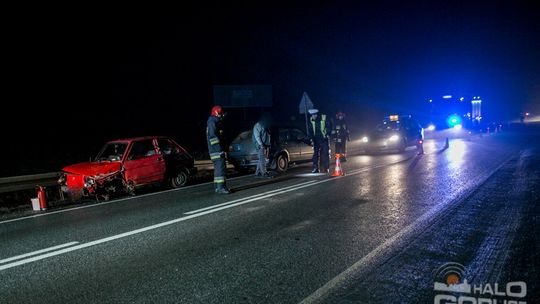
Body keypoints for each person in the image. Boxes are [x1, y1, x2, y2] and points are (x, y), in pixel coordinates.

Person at [206, 105, 231, 194]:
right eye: (221, 114)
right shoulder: (213, 122)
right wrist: (220, 149)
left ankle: (218, 187)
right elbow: (213, 138)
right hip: (217, 151)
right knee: (221, 168)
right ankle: (221, 188)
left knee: (218, 169)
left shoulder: (212, 121)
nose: (222, 116)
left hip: (214, 151)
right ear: (217, 113)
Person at [307, 108, 331, 173]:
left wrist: (328, 134)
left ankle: (326, 168)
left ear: (317, 114)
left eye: (314, 115)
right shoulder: (311, 121)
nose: (313, 116)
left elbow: (328, 126)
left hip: (324, 139)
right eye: (312, 115)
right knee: (315, 154)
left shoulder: (323, 118)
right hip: (316, 140)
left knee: (325, 154)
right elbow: (310, 131)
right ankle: (316, 168)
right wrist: (310, 138)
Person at [252, 113, 273, 178]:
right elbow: (257, 136)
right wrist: (261, 144)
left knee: (261, 159)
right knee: (262, 159)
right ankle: (264, 173)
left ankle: (257, 173)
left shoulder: (265, 125)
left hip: (264, 144)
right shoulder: (258, 125)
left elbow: (267, 135)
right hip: (260, 145)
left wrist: (267, 144)